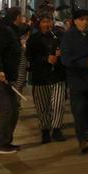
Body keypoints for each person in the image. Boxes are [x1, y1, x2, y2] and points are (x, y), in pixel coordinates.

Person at [60, 8, 88, 154]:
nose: (85, 22)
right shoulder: (69, 36)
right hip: (78, 79)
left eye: (87, 19)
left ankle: (87, 135)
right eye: (81, 19)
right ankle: (82, 139)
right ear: (75, 21)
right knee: (79, 110)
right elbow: (66, 59)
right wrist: (86, 62)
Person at [0, 8, 27, 153]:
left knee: (13, 109)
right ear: (16, 17)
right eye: (21, 16)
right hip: (1, 76)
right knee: (8, 109)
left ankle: (5, 141)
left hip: (8, 75)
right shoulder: (4, 31)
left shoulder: (10, 30)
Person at [27, 14, 68, 143]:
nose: (47, 25)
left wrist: (61, 55)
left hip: (57, 76)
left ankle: (56, 129)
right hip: (40, 77)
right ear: (39, 24)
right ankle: (45, 130)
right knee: (42, 105)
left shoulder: (60, 36)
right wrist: (46, 59)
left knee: (58, 104)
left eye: (49, 21)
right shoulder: (34, 38)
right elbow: (29, 56)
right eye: (44, 21)